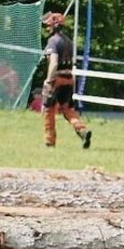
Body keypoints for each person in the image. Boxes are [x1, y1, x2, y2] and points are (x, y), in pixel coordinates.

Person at [41, 12, 91, 148]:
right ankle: (82, 130)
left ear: (53, 26)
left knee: (48, 110)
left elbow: (54, 62)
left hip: (56, 79)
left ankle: (50, 142)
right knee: (67, 109)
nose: (47, 28)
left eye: (48, 26)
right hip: (69, 78)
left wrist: (48, 80)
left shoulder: (53, 41)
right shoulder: (69, 41)